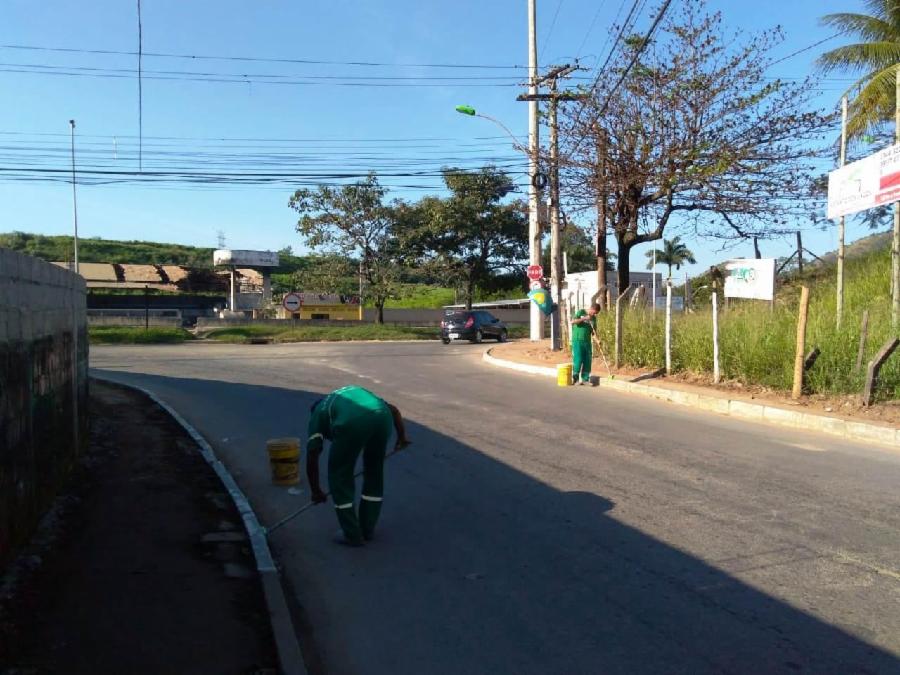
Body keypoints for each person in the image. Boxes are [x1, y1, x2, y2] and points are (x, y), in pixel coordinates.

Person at [306, 386, 410, 546]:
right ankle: (367, 529)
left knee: (340, 477)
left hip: (351, 424)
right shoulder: (346, 395)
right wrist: (402, 437)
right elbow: (394, 410)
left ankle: (352, 534)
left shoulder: (318, 415)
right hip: (383, 417)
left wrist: (315, 491)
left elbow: (313, 454)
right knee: (374, 472)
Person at [570, 303, 600, 386]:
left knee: (588, 359)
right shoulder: (581, 312)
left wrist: (597, 339)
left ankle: (585, 379)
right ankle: (574, 378)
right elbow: (573, 322)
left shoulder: (593, 319)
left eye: (596, 313)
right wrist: (585, 318)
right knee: (578, 359)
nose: (594, 314)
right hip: (577, 340)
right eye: (594, 312)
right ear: (591, 308)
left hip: (587, 341)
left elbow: (593, 332)